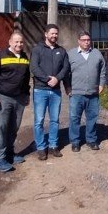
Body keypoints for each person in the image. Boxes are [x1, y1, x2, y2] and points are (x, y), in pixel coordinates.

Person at [0, 32, 31, 173]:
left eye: (21, 42)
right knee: (1, 129)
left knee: (14, 127)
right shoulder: (0, 56)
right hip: (3, 98)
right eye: (16, 42)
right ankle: (0, 158)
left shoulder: (24, 57)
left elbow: (26, 78)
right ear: (10, 42)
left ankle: (10, 153)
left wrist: (26, 94)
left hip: (19, 99)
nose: (19, 45)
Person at [30, 24, 70, 160]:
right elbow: (34, 68)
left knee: (54, 120)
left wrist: (57, 78)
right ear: (46, 34)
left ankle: (53, 145)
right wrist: (48, 79)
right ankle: (41, 147)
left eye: (56, 34)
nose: (54, 36)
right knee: (39, 121)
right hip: (40, 90)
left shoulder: (62, 51)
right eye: (52, 33)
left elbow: (66, 68)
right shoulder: (37, 50)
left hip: (56, 91)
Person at [65, 31, 106, 152]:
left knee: (92, 117)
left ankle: (91, 140)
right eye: (84, 40)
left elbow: (103, 70)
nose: (86, 42)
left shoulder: (97, 53)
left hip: (93, 93)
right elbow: (65, 72)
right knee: (74, 118)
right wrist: (67, 87)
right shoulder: (71, 54)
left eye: (88, 40)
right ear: (79, 41)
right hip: (76, 93)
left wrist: (101, 84)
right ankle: (75, 141)